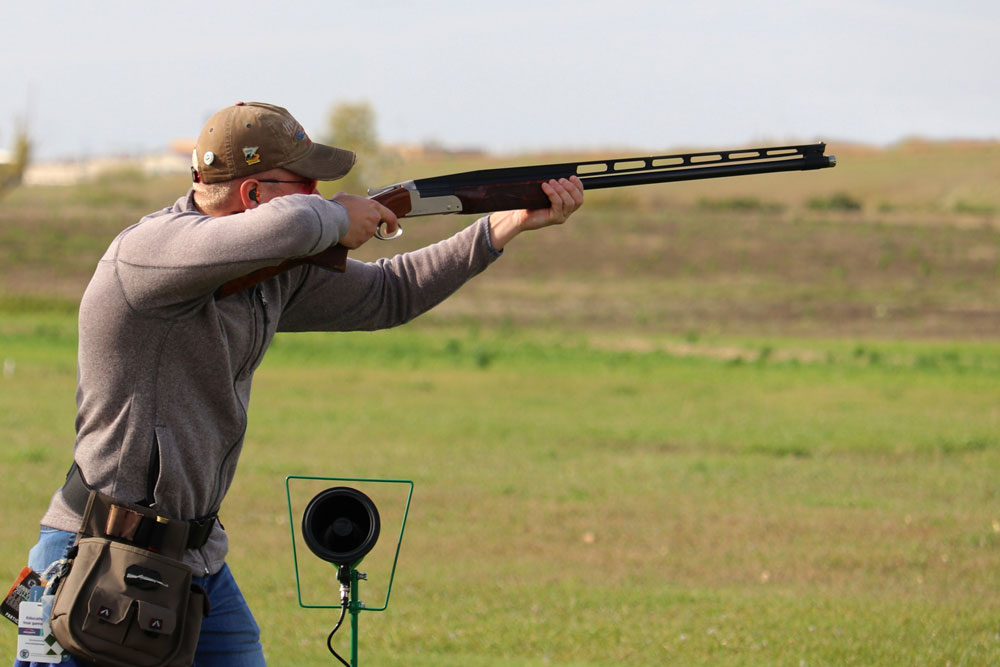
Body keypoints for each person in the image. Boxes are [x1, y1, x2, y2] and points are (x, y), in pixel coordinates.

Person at [15, 101, 583, 666]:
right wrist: (338, 217)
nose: (318, 193)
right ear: (253, 195)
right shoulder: (147, 252)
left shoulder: (268, 276)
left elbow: (390, 293)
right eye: (305, 182)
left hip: (196, 559)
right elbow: (300, 222)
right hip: (96, 557)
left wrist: (497, 229)